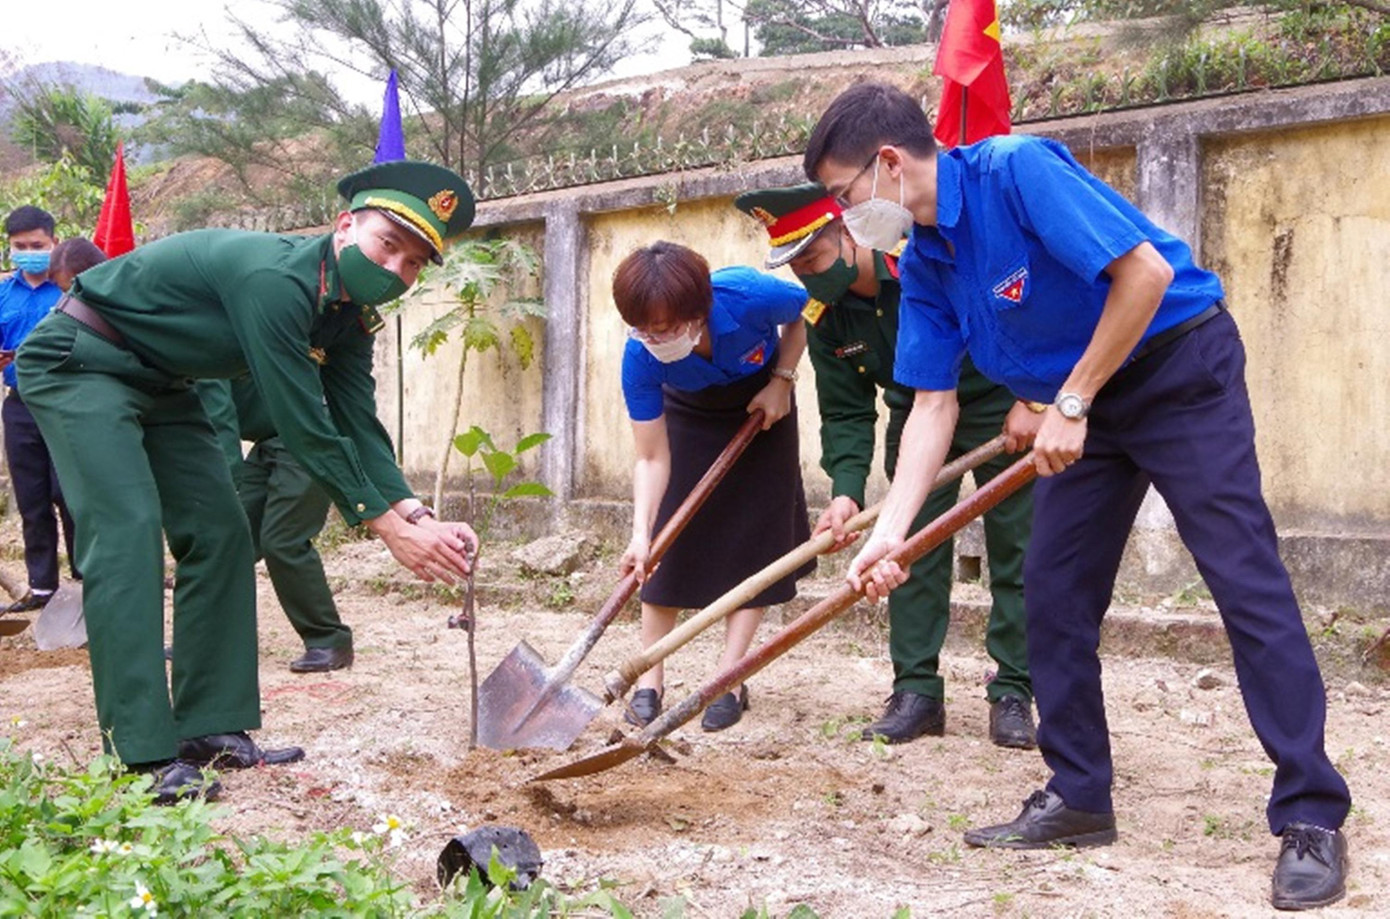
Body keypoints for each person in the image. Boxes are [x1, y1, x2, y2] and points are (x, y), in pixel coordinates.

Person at [803, 81, 1351, 911]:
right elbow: (931, 405)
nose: (845, 219)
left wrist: (1069, 400)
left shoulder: (1016, 172)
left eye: (843, 196)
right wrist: (895, 533)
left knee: (1243, 578)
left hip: (1177, 369)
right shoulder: (925, 263)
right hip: (1079, 404)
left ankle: (1311, 814)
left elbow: (1144, 274)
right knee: (1054, 595)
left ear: (887, 162)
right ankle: (1081, 793)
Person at [16, 161, 479, 805]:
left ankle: (208, 728)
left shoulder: (347, 315)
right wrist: (383, 528)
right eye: (387, 244)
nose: (395, 269)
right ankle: (139, 755)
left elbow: (356, 421)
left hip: (166, 381)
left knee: (222, 533)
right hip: (81, 359)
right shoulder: (276, 279)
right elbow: (302, 418)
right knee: (126, 532)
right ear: (346, 226)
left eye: (412, 264)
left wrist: (413, 512)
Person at [734, 184, 1040, 748]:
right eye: (796, 265)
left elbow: (1018, 318)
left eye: (812, 257)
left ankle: (1014, 691)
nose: (806, 275)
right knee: (907, 554)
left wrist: (1035, 399)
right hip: (918, 422)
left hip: (1001, 408)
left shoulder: (923, 266)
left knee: (1018, 551)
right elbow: (846, 411)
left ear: (849, 236)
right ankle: (917, 691)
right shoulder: (824, 315)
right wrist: (846, 493)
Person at [614, 241, 813, 732]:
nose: (655, 339)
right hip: (689, 410)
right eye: (644, 330)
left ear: (699, 310)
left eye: (666, 329)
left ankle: (730, 677)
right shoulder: (640, 356)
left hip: (762, 406)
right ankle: (648, 678)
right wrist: (641, 534)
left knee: (756, 539)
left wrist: (782, 381)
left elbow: (803, 313)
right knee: (668, 543)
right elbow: (651, 455)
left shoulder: (748, 296)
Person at [196, 375, 354, 673]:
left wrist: (224, 485)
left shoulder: (203, 344)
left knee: (283, 539)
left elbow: (219, 420)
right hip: (271, 438)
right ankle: (206, 639)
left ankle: (330, 640)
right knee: (231, 536)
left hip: (311, 433)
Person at [0, 206, 78, 616]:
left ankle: (85, 578)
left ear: (54, 242)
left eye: (37, 245)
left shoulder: (69, 287)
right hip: (20, 406)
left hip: (66, 402)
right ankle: (42, 586)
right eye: (20, 247)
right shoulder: (2, 293)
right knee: (32, 498)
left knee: (68, 493)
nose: (28, 252)